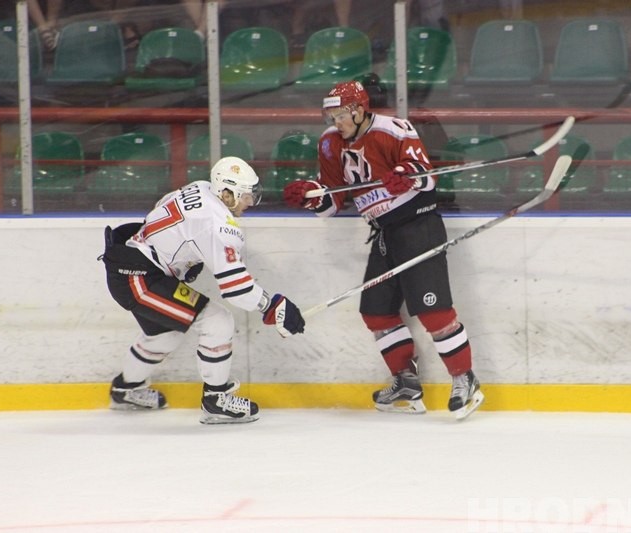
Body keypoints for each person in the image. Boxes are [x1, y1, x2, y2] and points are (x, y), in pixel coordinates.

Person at [282, 81, 484, 420]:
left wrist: (408, 176)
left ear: (359, 110)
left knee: (434, 312)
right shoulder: (329, 142)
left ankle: (465, 379)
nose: (336, 122)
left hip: (418, 228)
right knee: (376, 313)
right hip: (384, 234)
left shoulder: (393, 129)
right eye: (331, 116)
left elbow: (427, 177)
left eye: (341, 115)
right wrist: (312, 197)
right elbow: (333, 202)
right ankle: (406, 383)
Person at [100, 157, 306, 424]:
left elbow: (162, 204)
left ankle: (125, 390)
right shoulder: (218, 225)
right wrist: (272, 305)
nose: (249, 203)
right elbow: (236, 288)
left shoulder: (201, 186)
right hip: (138, 278)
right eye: (246, 196)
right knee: (217, 321)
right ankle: (216, 400)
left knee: (165, 334)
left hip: (130, 264)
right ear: (227, 193)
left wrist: (176, 253)